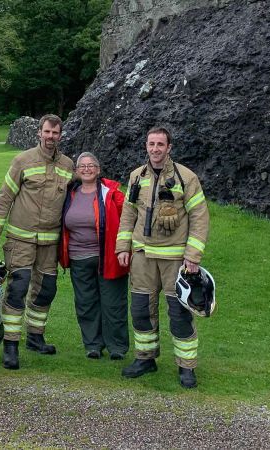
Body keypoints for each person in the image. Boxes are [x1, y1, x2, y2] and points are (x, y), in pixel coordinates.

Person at [116, 127, 210, 388]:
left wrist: (193, 256)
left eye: (160, 144)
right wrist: (123, 247)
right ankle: (145, 358)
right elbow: (128, 215)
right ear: (146, 146)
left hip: (175, 259)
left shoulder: (186, 178)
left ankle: (186, 367)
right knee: (141, 310)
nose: (155, 149)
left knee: (180, 313)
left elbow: (199, 218)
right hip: (142, 256)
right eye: (151, 144)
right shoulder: (137, 176)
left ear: (169, 148)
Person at [0, 114, 75, 370]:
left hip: (49, 243)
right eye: (47, 132)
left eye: (55, 133)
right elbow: (5, 197)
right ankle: (10, 345)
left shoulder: (67, 165)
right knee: (18, 289)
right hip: (20, 239)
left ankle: (35, 337)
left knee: (46, 289)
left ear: (60, 135)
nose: (50, 137)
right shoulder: (22, 160)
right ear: (39, 132)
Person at [59, 152, 130, 360]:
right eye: (82, 166)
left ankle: (117, 346)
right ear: (77, 171)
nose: (87, 169)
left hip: (107, 258)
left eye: (91, 165)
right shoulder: (69, 193)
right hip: (78, 258)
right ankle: (93, 344)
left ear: (98, 170)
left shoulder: (112, 193)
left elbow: (128, 217)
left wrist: (125, 247)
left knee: (113, 304)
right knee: (86, 303)